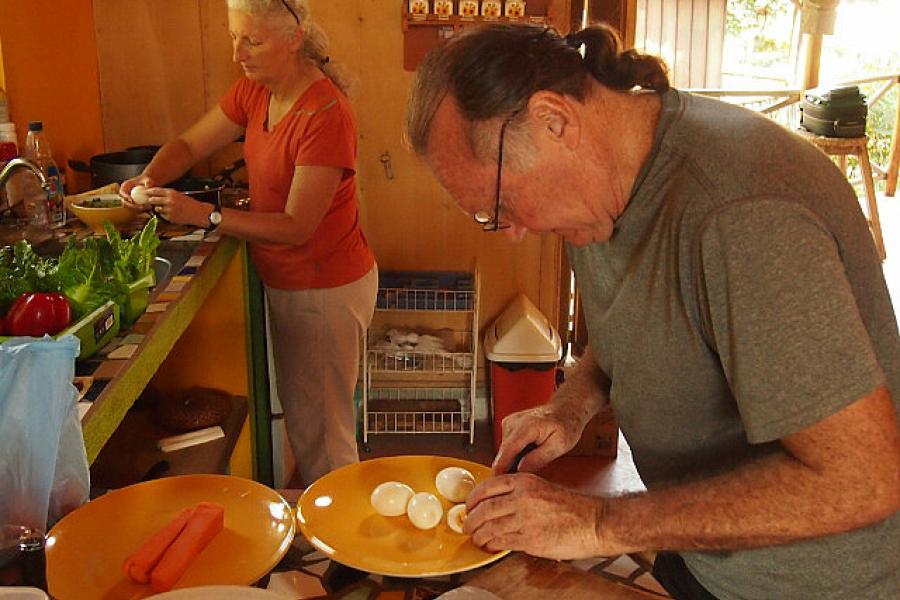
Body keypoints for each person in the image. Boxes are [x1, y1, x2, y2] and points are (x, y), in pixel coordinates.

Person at [405, 22, 899, 600]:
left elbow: (864, 479)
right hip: (700, 547)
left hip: (806, 584)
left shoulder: (744, 217)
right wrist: (570, 405)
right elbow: (638, 322)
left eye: (499, 207)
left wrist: (597, 524)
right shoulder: (598, 190)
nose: (512, 232)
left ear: (553, 120)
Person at [121, 0, 377, 489]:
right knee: (311, 429)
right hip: (294, 283)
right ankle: (328, 539)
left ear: (294, 37)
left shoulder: (325, 113)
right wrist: (146, 179)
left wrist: (208, 216)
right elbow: (191, 145)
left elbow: (297, 226)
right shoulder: (255, 92)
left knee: (325, 439)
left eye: (252, 40)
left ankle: (346, 556)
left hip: (325, 289)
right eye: (233, 36)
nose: (238, 52)